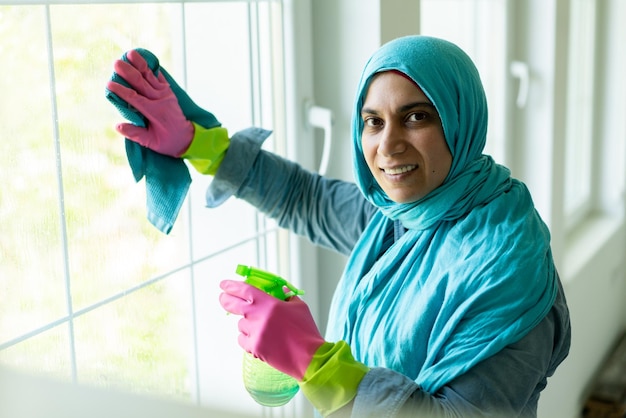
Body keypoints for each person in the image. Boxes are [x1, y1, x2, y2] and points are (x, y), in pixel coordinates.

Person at [106, 35, 571, 417]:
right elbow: (304, 199)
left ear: (460, 118)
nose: (387, 146)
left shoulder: (510, 269)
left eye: (416, 117)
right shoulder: (402, 215)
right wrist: (199, 143)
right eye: (373, 121)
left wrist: (316, 362)